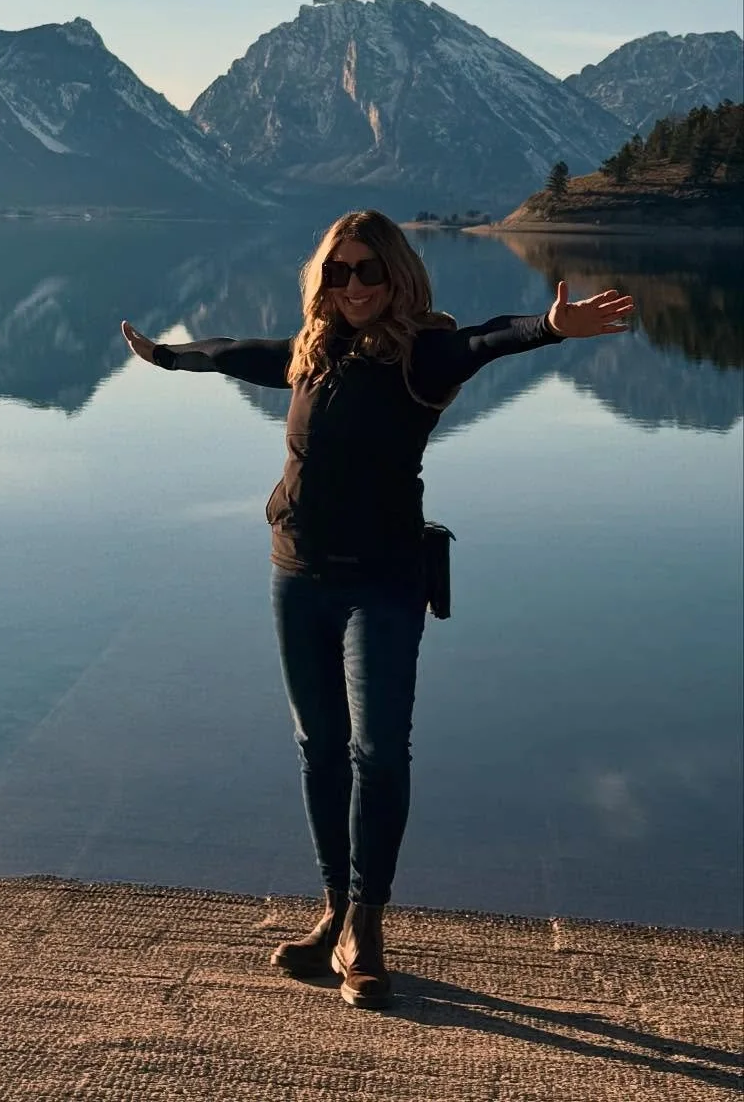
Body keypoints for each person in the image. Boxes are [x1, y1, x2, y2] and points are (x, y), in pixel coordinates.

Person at [119, 208, 633, 1009]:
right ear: (321, 279)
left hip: (383, 584)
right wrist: (170, 357)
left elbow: (488, 337)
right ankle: (331, 912)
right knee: (318, 748)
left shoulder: (423, 356)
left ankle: (367, 922)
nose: (352, 285)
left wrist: (551, 327)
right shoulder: (310, 354)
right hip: (297, 576)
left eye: (367, 270)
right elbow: (237, 352)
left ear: (396, 275)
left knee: (379, 753)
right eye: (337, 271)